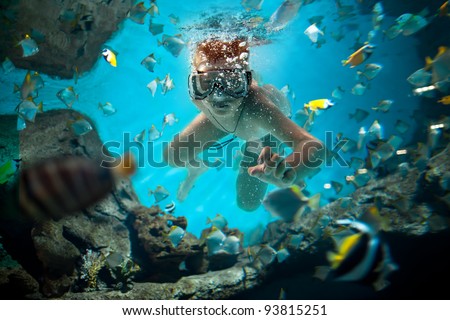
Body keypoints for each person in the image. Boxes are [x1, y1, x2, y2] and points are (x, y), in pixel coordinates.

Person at [163, 39, 325, 211]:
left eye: (232, 82)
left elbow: (314, 146)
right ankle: (196, 169)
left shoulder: (258, 109)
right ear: (193, 81)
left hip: (264, 130)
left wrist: (292, 169)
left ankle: (253, 85)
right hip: (230, 119)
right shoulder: (200, 98)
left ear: (246, 83)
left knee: (248, 202)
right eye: (206, 82)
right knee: (173, 156)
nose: (218, 96)